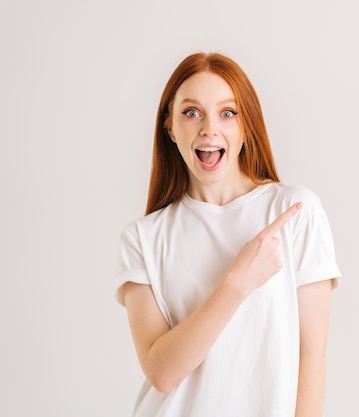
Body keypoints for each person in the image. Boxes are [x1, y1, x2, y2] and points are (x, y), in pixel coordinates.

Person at [114, 52, 341, 417]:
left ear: (246, 126)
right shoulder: (143, 238)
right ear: (170, 127)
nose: (209, 129)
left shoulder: (295, 213)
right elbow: (161, 372)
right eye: (191, 112)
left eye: (227, 113)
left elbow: (311, 354)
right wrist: (237, 282)